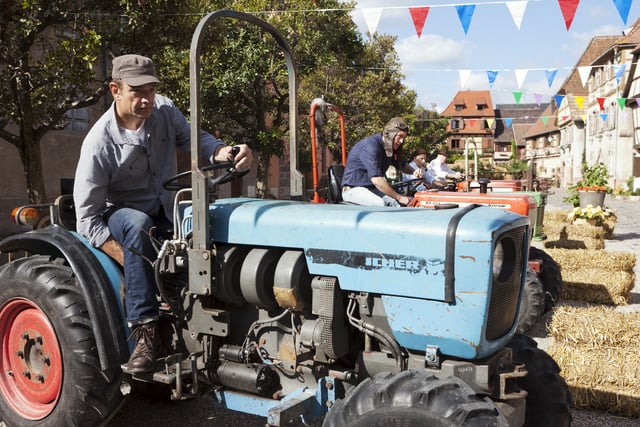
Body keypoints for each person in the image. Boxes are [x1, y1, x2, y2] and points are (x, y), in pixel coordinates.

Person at [73, 54, 252, 373]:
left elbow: (196, 139)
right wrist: (129, 259)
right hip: (122, 217)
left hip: (168, 211)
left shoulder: (165, 110)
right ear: (115, 89)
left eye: (151, 90)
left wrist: (224, 151)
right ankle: (145, 334)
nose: (146, 99)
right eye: (137, 91)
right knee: (138, 225)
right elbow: (87, 218)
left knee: (216, 219)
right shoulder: (99, 144)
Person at [341, 117, 422, 206]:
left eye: (404, 138)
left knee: (397, 203)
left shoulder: (388, 148)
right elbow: (376, 180)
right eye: (400, 136)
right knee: (381, 204)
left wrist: (414, 171)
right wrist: (400, 197)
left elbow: (401, 165)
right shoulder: (371, 147)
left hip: (371, 188)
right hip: (353, 189)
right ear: (390, 134)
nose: (401, 141)